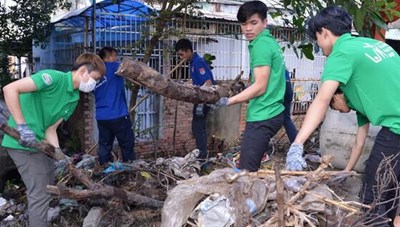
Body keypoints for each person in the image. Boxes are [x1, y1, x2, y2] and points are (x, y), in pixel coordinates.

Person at [284, 5, 400, 227]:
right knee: (389, 189)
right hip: (395, 129)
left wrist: (297, 144)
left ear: (325, 32)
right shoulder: (373, 45)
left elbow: (321, 100)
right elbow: (359, 140)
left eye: (317, 38)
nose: (318, 45)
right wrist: (346, 171)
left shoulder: (341, 52)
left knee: (370, 198)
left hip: (397, 129)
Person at [1, 53, 106, 227]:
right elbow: (10, 89)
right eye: (94, 79)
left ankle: (44, 219)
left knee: (50, 181)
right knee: (40, 193)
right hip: (21, 143)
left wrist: (58, 153)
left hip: (39, 145)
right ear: (82, 71)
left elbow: (51, 128)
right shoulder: (52, 78)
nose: (93, 84)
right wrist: (22, 126)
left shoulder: (73, 98)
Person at [215, 0, 286, 172]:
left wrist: (228, 101)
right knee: (248, 166)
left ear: (265, 23)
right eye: (244, 24)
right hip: (272, 111)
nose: (248, 29)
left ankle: (250, 198)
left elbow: (260, 86)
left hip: (263, 115)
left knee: (247, 171)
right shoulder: (268, 41)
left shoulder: (260, 45)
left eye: (253, 23)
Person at [175, 38, 216, 159]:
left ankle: (202, 157)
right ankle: (201, 154)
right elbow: (197, 81)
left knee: (198, 127)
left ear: (188, 51)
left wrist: (201, 103)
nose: (181, 58)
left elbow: (208, 82)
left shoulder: (198, 62)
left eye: (182, 54)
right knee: (197, 127)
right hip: (199, 100)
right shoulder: (193, 63)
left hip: (203, 101)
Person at [94, 47, 135, 165]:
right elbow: (133, 69)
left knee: (104, 146)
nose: (116, 58)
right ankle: (130, 171)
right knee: (127, 144)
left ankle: (103, 171)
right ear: (108, 57)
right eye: (114, 56)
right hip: (119, 115)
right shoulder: (114, 67)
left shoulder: (95, 74)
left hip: (102, 118)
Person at [283, 69, 298, 143]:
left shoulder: (259, 62)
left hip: (279, 87)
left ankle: (264, 149)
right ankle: (296, 145)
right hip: (288, 87)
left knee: (267, 118)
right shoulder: (281, 63)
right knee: (286, 119)